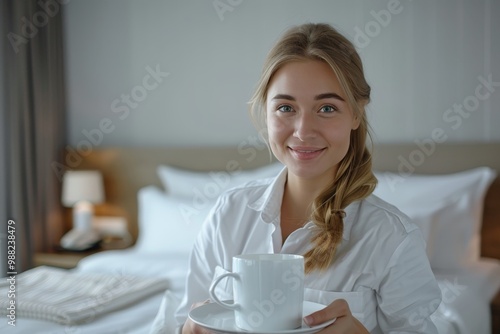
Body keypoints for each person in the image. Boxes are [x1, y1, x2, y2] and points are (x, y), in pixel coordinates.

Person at [175, 22, 442, 333]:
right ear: (266, 113)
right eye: (286, 107)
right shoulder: (228, 214)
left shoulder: (392, 238)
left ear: (356, 114)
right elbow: (181, 319)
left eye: (327, 108)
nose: (303, 131)